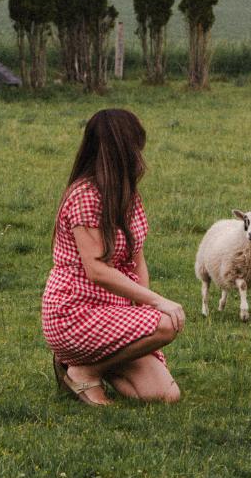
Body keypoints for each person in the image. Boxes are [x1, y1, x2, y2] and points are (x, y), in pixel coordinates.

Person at [42, 109, 185, 405]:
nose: (139, 156)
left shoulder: (128, 195)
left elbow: (137, 260)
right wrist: (157, 303)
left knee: (165, 396)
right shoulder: (84, 195)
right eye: (135, 147)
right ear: (120, 150)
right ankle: (84, 370)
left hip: (114, 313)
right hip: (75, 312)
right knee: (167, 323)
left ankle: (95, 361)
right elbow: (96, 269)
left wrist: (141, 310)